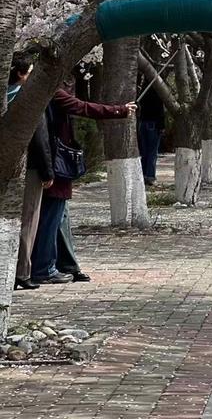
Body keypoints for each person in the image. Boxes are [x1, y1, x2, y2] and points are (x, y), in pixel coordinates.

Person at [31, 85, 136, 285]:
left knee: (60, 218)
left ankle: (66, 265)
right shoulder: (48, 90)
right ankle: (44, 268)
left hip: (52, 163)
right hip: (54, 163)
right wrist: (118, 110)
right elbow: (82, 107)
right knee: (51, 219)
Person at [8, 57, 56, 291]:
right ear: (20, 74)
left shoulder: (6, 95)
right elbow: (40, 137)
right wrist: (48, 170)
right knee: (28, 219)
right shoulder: (28, 99)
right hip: (30, 168)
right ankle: (21, 271)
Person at [137, 80, 165, 186]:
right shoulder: (157, 93)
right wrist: (162, 126)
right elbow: (160, 110)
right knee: (152, 151)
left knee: (145, 151)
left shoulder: (142, 93)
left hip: (143, 123)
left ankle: (143, 174)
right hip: (153, 123)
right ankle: (150, 176)